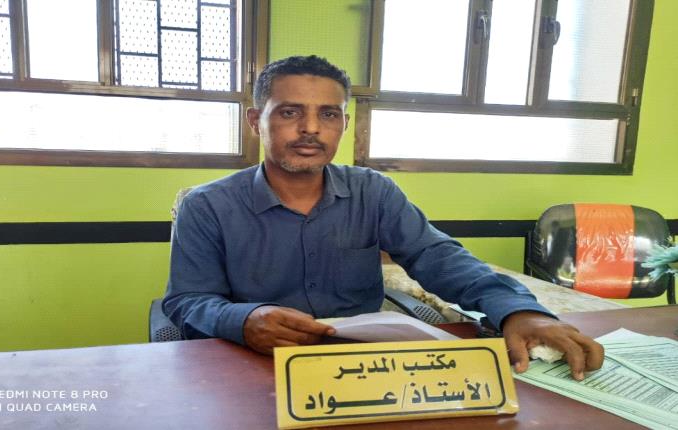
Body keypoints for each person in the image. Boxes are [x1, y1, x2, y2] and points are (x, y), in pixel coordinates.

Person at [163, 55, 603, 380]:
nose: (311, 128)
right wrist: (244, 320)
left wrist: (518, 311)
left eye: (328, 114)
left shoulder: (372, 192)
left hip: (363, 365)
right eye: (290, 112)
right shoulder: (207, 206)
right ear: (256, 121)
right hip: (252, 362)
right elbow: (188, 300)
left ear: (343, 124)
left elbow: (438, 258)